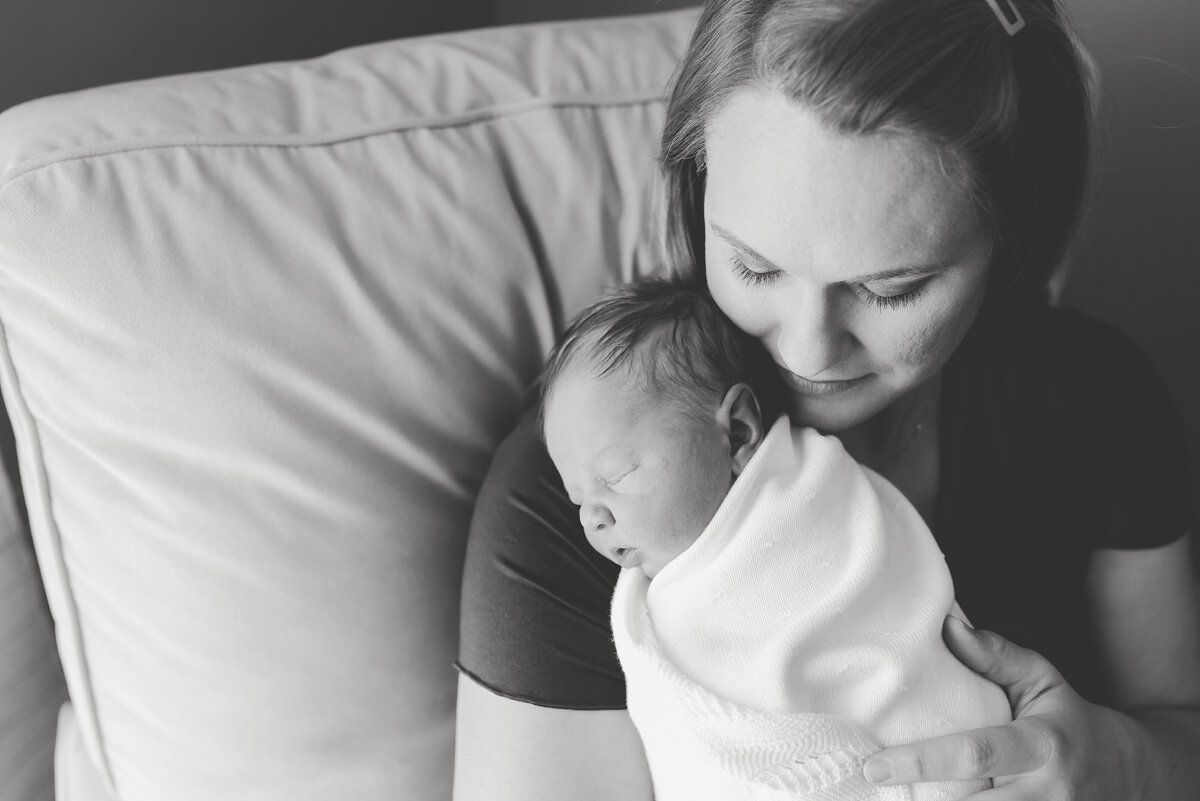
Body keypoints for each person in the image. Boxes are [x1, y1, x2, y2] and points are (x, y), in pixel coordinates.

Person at [453, 0, 1200, 798]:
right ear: (697, 192)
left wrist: (1119, 761)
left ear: (1007, 242)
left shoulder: (1089, 398)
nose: (807, 350)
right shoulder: (595, 489)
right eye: (755, 267)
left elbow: (1180, 728)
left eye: (890, 288)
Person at [538, 278, 1012, 800]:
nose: (593, 519)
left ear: (737, 433)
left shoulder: (815, 499)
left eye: (616, 476)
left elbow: (887, 628)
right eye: (577, 499)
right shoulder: (645, 585)